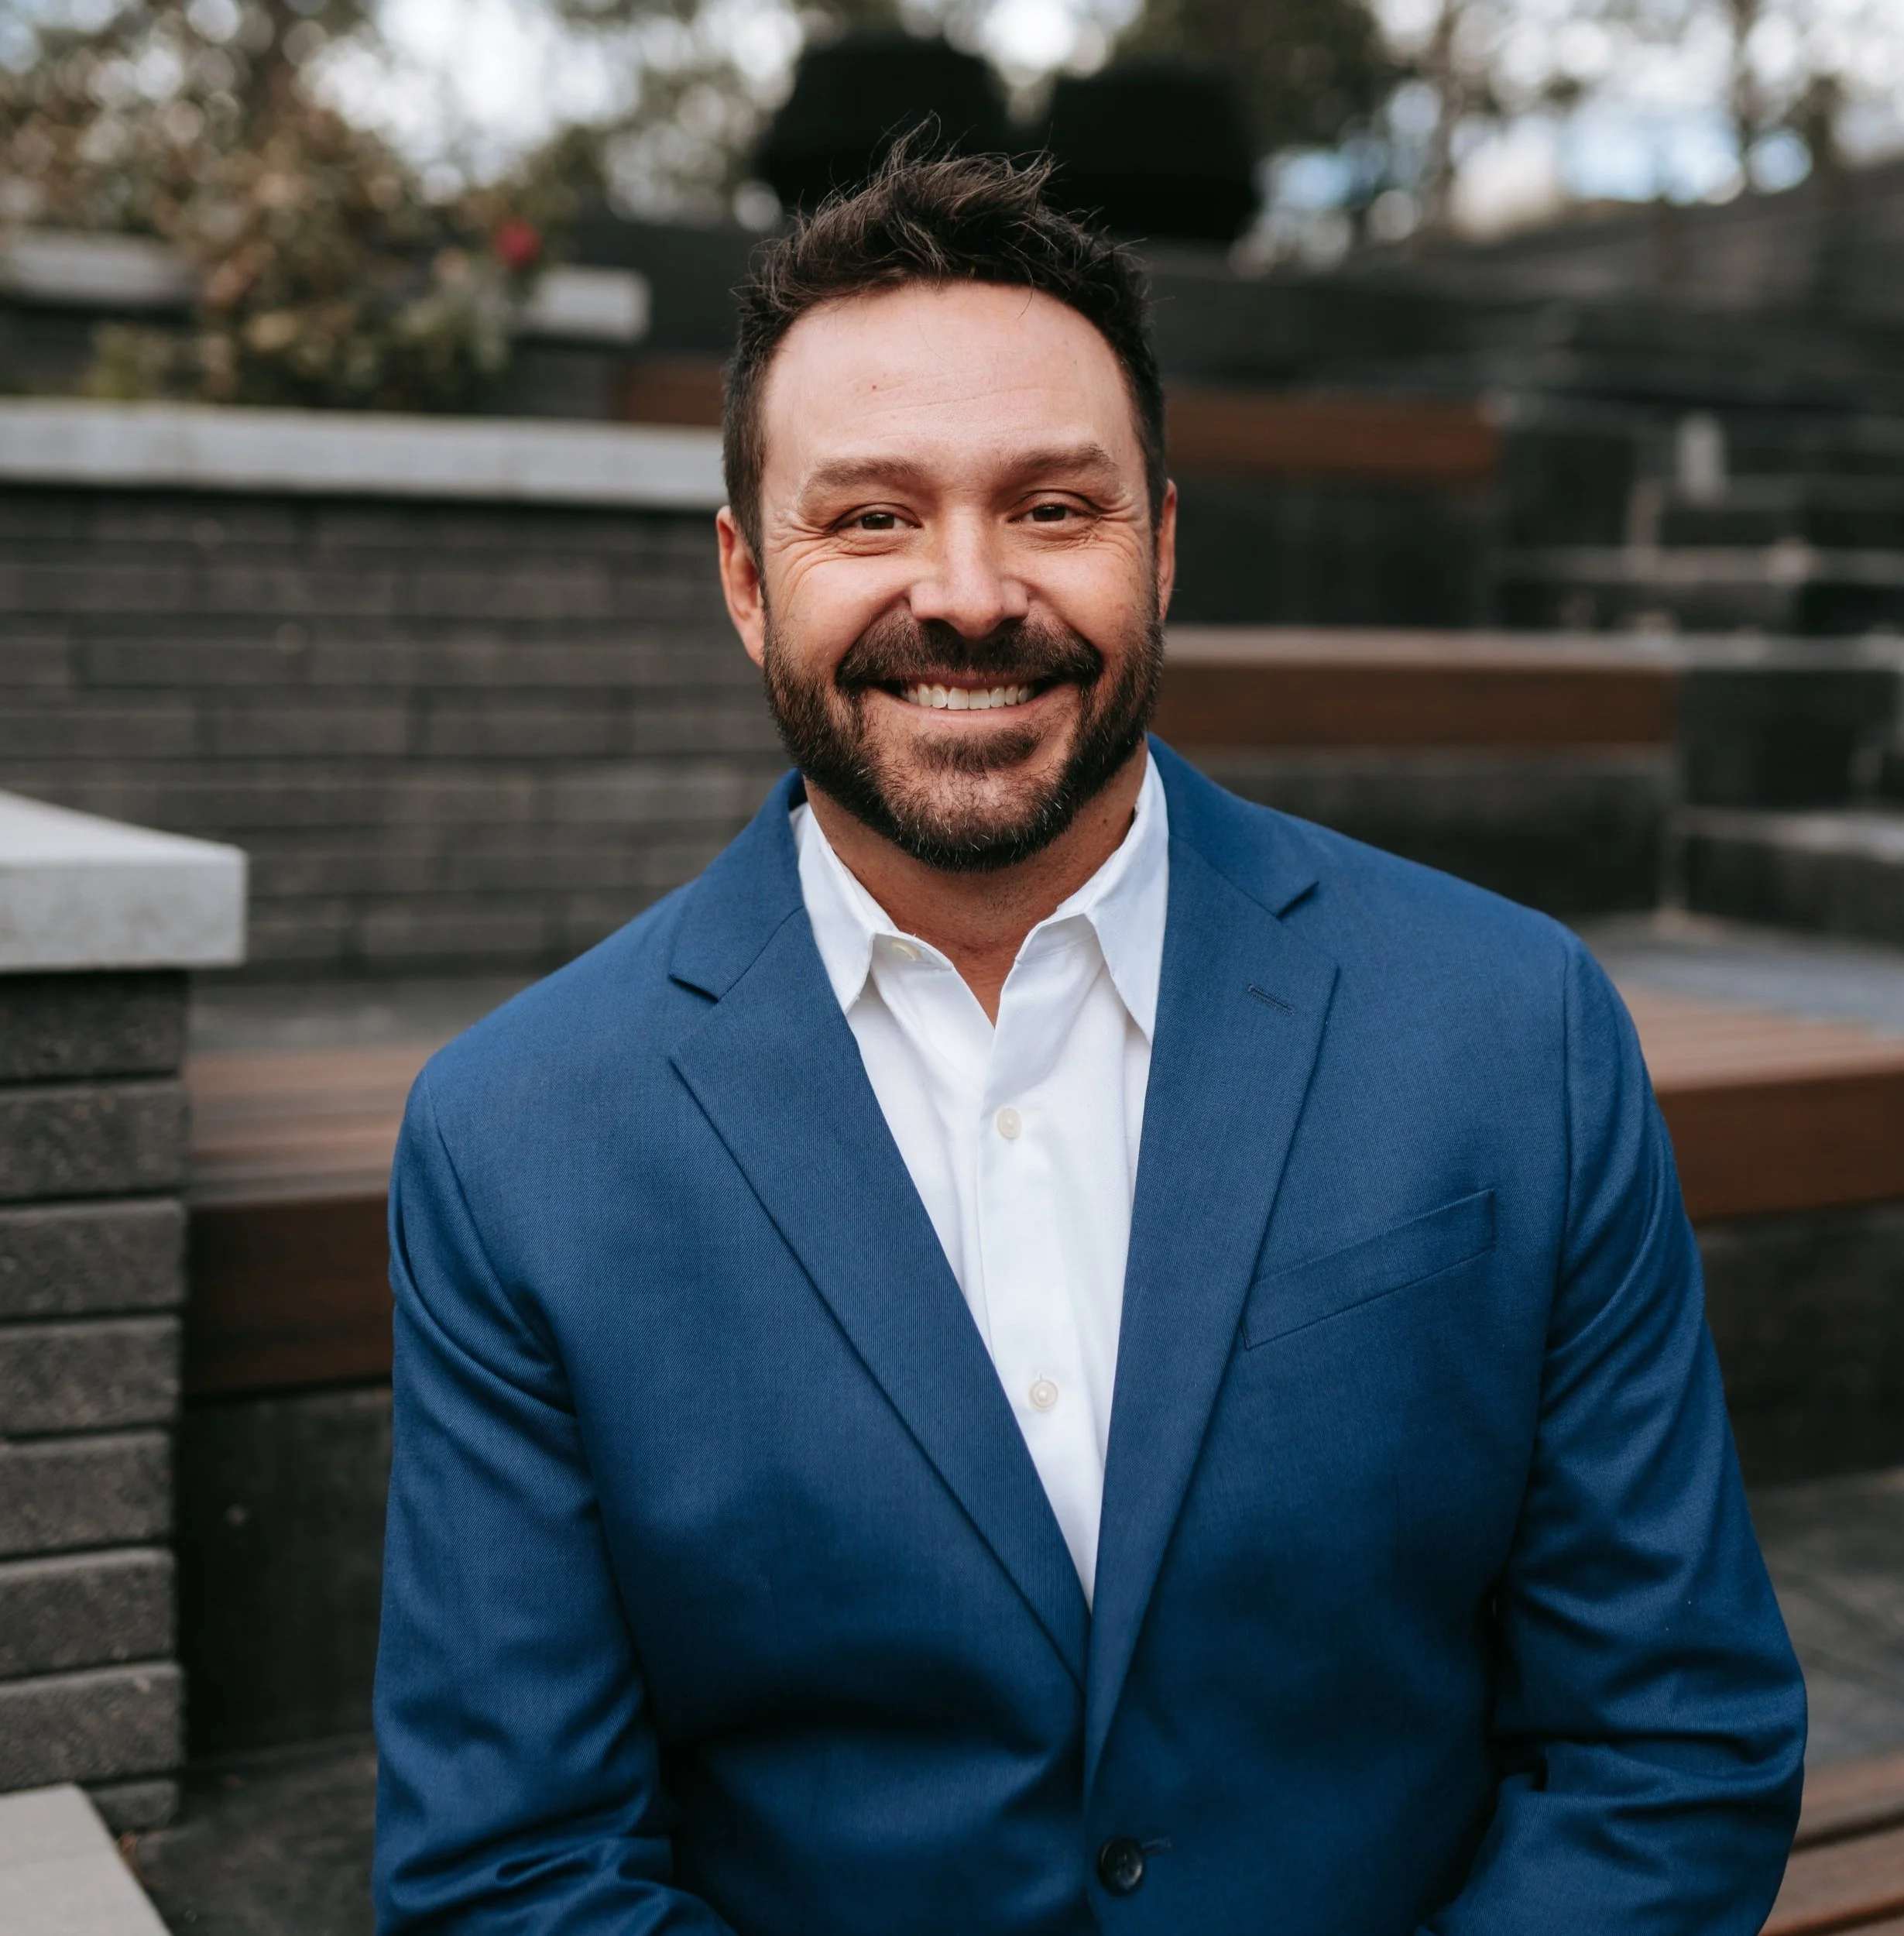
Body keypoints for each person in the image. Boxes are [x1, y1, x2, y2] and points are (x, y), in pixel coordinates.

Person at [372, 149, 1805, 1934]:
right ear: (745, 577)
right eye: (871, 518)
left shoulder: (1513, 1026)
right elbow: (514, 1873)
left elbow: (1670, 1742)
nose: (967, 594)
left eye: (1052, 507)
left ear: (1164, 543)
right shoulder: (515, 1141)